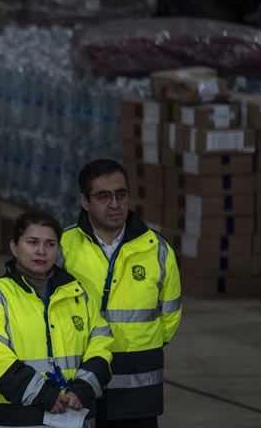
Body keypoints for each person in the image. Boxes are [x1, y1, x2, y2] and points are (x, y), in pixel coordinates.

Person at [56, 160, 181, 428]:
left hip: (139, 391)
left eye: (120, 194)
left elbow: (169, 319)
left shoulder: (156, 249)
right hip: (80, 387)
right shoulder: (62, 247)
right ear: (85, 201)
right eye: (103, 196)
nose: (114, 204)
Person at [0, 211, 114, 428]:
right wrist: (43, 394)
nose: (41, 251)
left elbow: (102, 344)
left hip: (73, 415)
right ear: (14, 246)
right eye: (32, 242)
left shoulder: (77, 295)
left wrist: (83, 388)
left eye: (50, 244)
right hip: (15, 421)